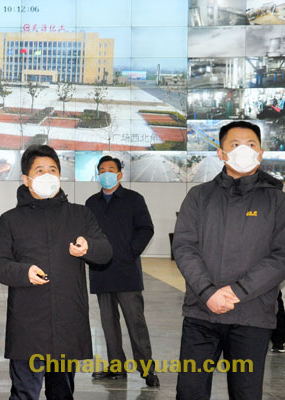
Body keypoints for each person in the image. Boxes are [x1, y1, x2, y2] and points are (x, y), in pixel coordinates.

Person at [0, 145, 112, 400]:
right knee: (24, 393)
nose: (47, 175)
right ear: (26, 179)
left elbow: (106, 253)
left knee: (62, 393)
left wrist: (89, 247)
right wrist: (23, 272)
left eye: (52, 170)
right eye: (40, 170)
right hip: (28, 324)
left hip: (67, 320)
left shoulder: (79, 215)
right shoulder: (11, 220)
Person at [173, 120, 285, 400]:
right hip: (201, 313)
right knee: (189, 392)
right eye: (235, 145)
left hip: (252, 316)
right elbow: (184, 247)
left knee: (245, 393)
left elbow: (281, 256)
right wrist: (208, 292)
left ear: (261, 152)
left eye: (251, 144)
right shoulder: (199, 196)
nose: (243, 150)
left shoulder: (277, 201)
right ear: (221, 153)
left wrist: (237, 292)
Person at [85, 155, 159, 387]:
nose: (106, 173)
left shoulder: (134, 199)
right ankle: (116, 368)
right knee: (108, 324)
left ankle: (147, 370)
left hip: (127, 272)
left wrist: (130, 252)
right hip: (101, 272)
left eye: (110, 169)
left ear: (119, 174)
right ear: (98, 174)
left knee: (135, 323)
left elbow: (146, 228)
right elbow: (86, 233)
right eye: (102, 170)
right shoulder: (91, 203)